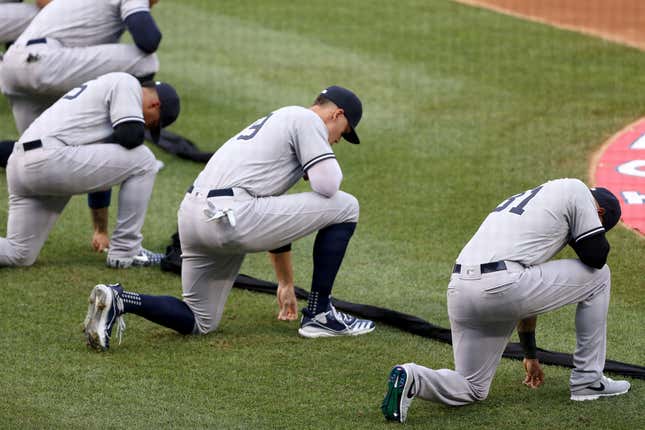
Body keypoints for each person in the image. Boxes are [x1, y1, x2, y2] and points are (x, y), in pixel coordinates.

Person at [82, 85, 376, 351]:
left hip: (193, 217)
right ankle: (320, 313)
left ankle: (120, 299)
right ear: (336, 114)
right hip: (231, 215)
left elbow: (278, 212)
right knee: (346, 205)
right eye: (344, 132)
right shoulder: (308, 120)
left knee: (200, 320)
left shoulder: (278, 123)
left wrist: (285, 282)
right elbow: (327, 185)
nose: (337, 141)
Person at [381, 178, 630, 423]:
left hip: (460, 290)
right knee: (600, 275)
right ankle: (588, 380)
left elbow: (529, 294)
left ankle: (412, 377)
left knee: (473, 387)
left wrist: (530, 353)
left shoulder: (536, 208)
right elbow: (596, 255)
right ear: (598, 213)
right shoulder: (576, 190)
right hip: (502, 285)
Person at [0, 0, 163, 252]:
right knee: (145, 61)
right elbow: (148, 38)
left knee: (34, 153)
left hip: (15, 67)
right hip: (44, 61)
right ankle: (127, 250)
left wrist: (100, 229)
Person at [0, 72, 180, 268]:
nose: (145, 126)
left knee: (18, 253)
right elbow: (131, 136)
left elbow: (103, 174)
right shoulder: (127, 83)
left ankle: (124, 249)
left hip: (20, 164)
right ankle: (127, 250)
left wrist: (101, 229)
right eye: (152, 123)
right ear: (155, 105)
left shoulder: (104, 102)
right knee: (145, 159)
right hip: (49, 158)